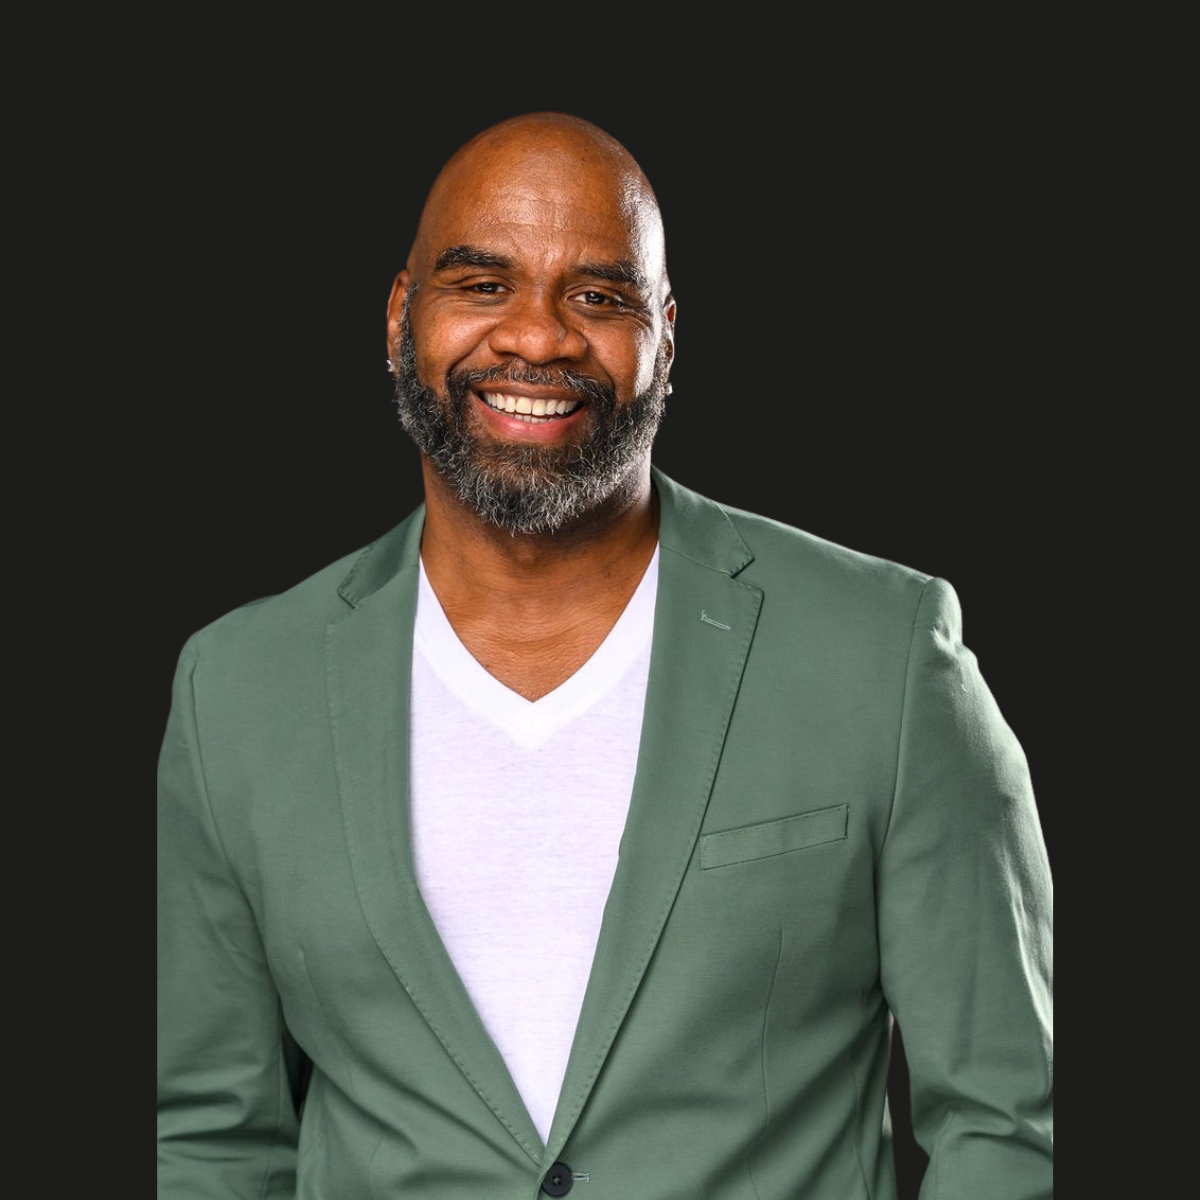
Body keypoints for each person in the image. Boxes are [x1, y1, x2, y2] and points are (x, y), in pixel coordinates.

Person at [157, 111, 1054, 1199]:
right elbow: (211, 1138)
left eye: (597, 296)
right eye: (482, 284)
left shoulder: (886, 654)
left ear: (665, 337)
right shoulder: (237, 690)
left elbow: (1004, 1120)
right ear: (401, 316)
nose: (537, 339)